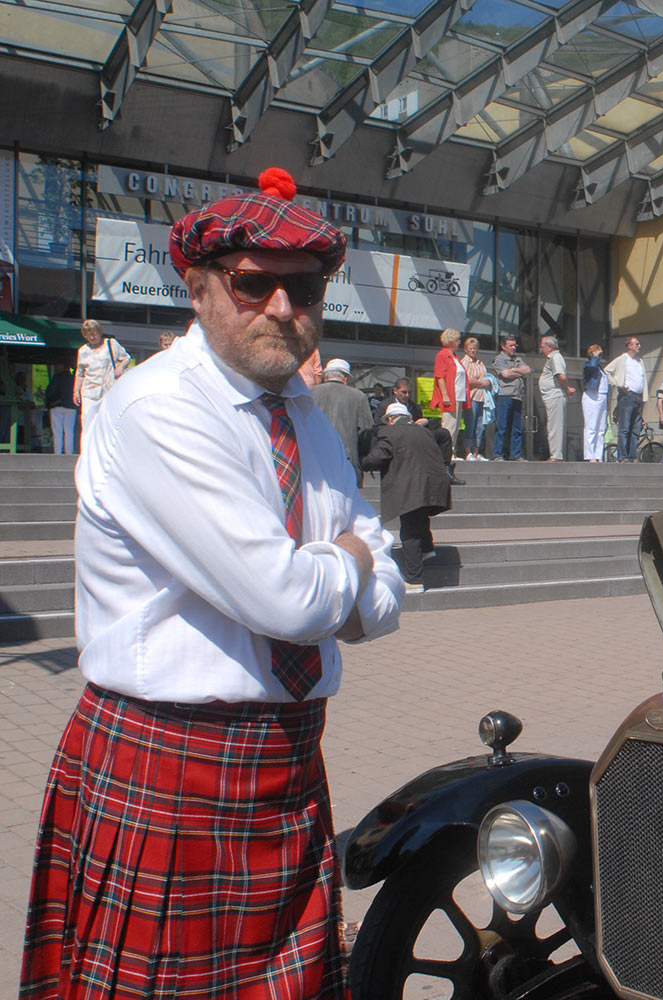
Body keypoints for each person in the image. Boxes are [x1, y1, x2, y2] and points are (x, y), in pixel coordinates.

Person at [21, 166, 404, 999]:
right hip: (169, 767)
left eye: (303, 288)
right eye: (253, 283)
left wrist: (343, 570)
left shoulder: (307, 417)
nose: (281, 307)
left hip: (289, 766)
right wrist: (347, 563)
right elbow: (289, 601)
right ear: (198, 290)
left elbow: (382, 600)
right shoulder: (159, 409)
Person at [361, 401, 451, 592]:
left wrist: (362, 462)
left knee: (409, 532)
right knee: (420, 519)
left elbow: (379, 457)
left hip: (410, 486)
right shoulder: (424, 432)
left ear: (391, 419)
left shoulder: (389, 432)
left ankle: (414, 579)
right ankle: (427, 549)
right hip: (433, 484)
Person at [311, 357, 373, 484]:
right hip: (346, 460)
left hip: (314, 460)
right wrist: (361, 454)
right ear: (346, 377)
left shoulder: (311, 393)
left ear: (326, 376)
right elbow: (367, 430)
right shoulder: (358, 396)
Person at [72, 318, 131, 440]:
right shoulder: (83, 351)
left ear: (99, 332)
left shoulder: (111, 344)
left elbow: (127, 358)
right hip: (89, 391)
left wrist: (120, 368)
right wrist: (76, 391)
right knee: (87, 420)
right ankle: (87, 450)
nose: (92, 338)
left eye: (94, 334)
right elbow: (80, 372)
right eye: (89, 336)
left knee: (108, 421)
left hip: (108, 390)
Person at [605, 336, 645, 460]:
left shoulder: (639, 361)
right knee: (625, 428)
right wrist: (619, 384)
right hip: (627, 396)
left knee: (636, 429)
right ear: (629, 346)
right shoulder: (622, 359)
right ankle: (623, 456)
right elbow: (606, 371)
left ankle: (632, 456)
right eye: (636, 344)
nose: (639, 346)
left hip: (638, 397)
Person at [491, 335, 530, 460]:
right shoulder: (499, 359)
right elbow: (505, 374)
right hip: (504, 396)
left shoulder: (518, 358)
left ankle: (516, 455)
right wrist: (518, 371)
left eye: (515, 345)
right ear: (503, 346)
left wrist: (513, 370)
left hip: (518, 396)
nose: (513, 348)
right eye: (511, 345)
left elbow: (528, 370)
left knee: (517, 428)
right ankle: (498, 454)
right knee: (502, 427)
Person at [538, 334, 573, 461]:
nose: (541, 349)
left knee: (555, 427)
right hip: (551, 396)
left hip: (555, 395)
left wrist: (567, 389)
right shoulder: (552, 358)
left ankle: (556, 456)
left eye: (542, 346)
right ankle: (555, 454)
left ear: (549, 347)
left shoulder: (556, 357)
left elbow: (561, 376)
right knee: (552, 426)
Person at [430, 328, 461, 452]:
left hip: (458, 395)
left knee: (455, 426)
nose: (459, 342)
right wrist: (445, 395)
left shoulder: (455, 357)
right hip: (450, 396)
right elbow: (439, 377)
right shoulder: (442, 355)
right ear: (451, 341)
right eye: (458, 340)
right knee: (449, 425)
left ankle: (451, 450)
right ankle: (445, 452)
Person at [459, 336, 487, 460]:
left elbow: (486, 377)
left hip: (482, 397)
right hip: (471, 397)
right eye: (470, 348)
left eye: (475, 348)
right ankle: (468, 451)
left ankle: (476, 451)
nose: (473, 350)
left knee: (480, 425)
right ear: (465, 349)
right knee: (470, 423)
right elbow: (467, 380)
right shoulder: (464, 362)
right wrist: (482, 383)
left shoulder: (480, 363)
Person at [581, 344, 608, 461]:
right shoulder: (588, 365)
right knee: (591, 427)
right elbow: (592, 367)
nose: (599, 355)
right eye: (597, 352)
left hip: (602, 397)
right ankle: (590, 455)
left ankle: (598, 455)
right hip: (592, 396)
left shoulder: (600, 368)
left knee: (601, 429)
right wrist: (595, 356)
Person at [44, 363, 77, 454]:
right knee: (69, 431)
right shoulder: (73, 378)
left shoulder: (57, 377)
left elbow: (50, 392)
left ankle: (58, 452)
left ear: (62, 366)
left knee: (57, 431)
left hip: (57, 406)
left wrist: (50, 401)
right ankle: (69, 452)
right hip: (71, 406)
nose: (56, 366)